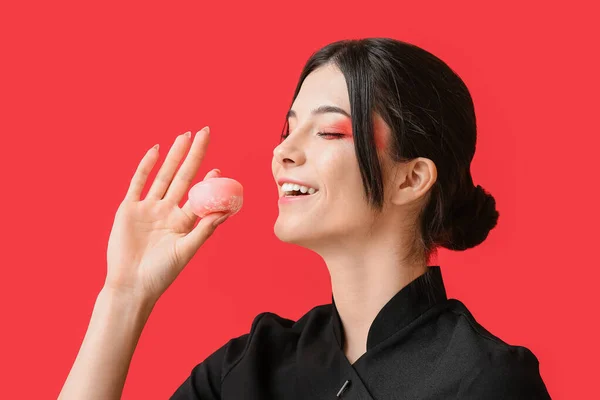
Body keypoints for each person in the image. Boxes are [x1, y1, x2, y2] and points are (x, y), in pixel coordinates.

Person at [58, 37, 551, 399]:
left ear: (411, 178)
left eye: (330, 132)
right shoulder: (251, 366)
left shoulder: (485, 380)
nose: (283, 152)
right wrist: (123, 297)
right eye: (288, 129)